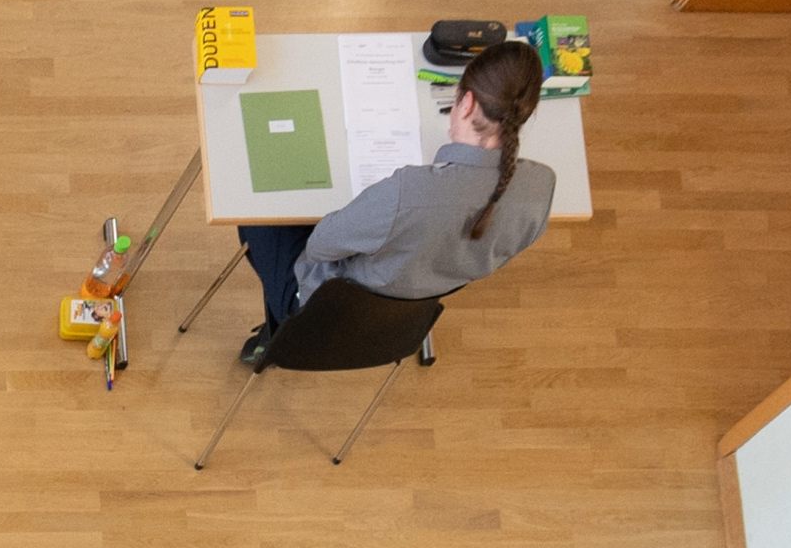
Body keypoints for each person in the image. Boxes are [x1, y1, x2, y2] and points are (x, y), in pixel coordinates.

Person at [235, 42, 553, 360]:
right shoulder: (542, 187)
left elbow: (319, 247)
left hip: (323, 311)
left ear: (467, 103)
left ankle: (276, 329)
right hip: (407, 319)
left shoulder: (408, 192)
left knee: (255, 216)